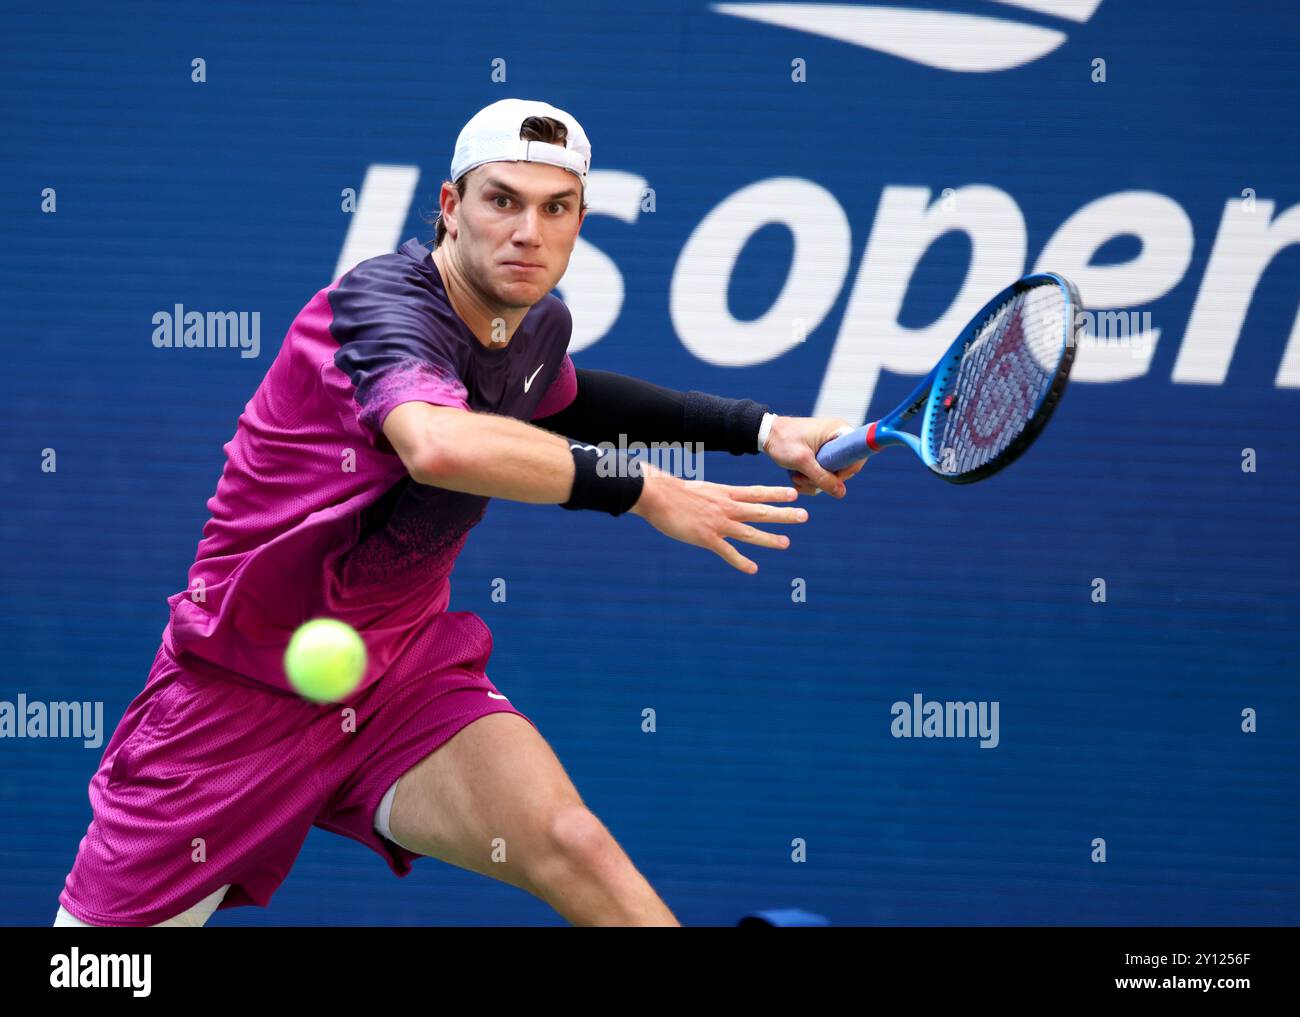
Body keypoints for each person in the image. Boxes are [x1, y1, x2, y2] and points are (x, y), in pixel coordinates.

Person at [54, 98, 864, 928]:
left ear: (581, 221)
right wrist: (646, 489)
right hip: (236, 696)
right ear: (450, 207)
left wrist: (762, 429)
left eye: (556, 209)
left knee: (569, 842)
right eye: (502, 200)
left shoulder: (535, 323)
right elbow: (436, 444)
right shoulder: (378, 307)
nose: (528, 232)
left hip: (401, 674)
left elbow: (567, 402)